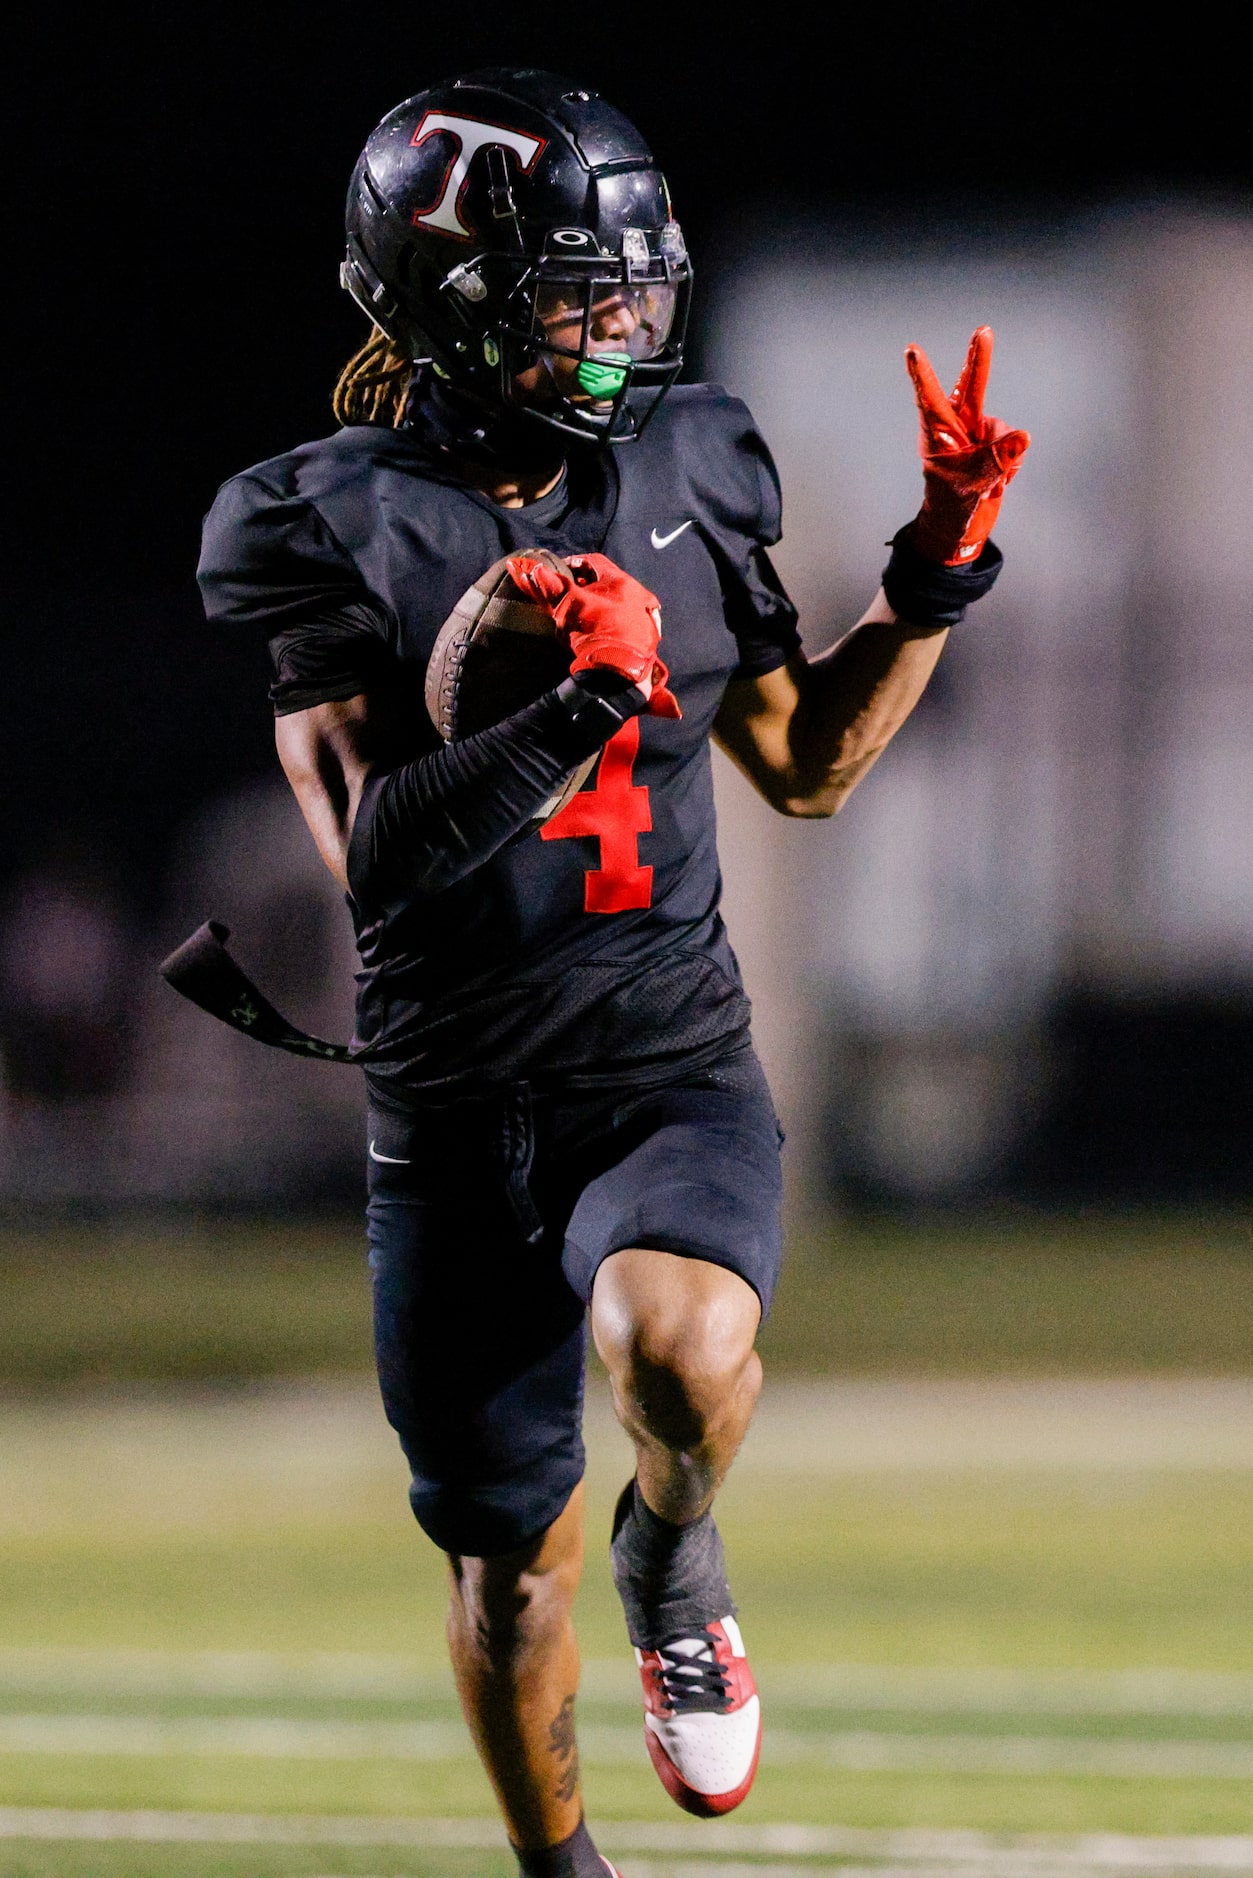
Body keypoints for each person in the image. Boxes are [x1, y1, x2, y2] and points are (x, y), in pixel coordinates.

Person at [196, 66, 1028, 1878]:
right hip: (453, 1106)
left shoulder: (694, 452)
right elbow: (381, 859)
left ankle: (679, 1542)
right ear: (446, 297)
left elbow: (802, 764)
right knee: (504, 1578)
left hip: (663, 1060)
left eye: (631, 289)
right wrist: (577, 702)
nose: (616, 327)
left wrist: (937, 569)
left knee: (679, 1336)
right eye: (574, 293)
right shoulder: (306, 519)